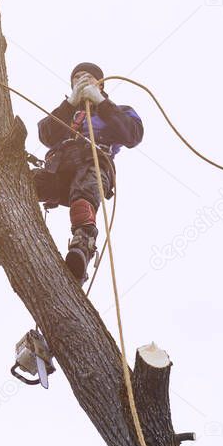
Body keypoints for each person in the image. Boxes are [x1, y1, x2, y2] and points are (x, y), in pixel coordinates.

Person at [34, 62, 144, 283]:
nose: (82, 79)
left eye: (88, 76)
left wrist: (101, 103)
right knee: (25, 182)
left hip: (92, 164)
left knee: (84, 195)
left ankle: (82, 246)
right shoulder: (65, 113)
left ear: (100, 84)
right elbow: (46, 135)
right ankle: (12, 232)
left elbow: (132, 135)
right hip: (59, 169)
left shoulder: (118, 110)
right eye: (77, 78)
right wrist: (70, 103)